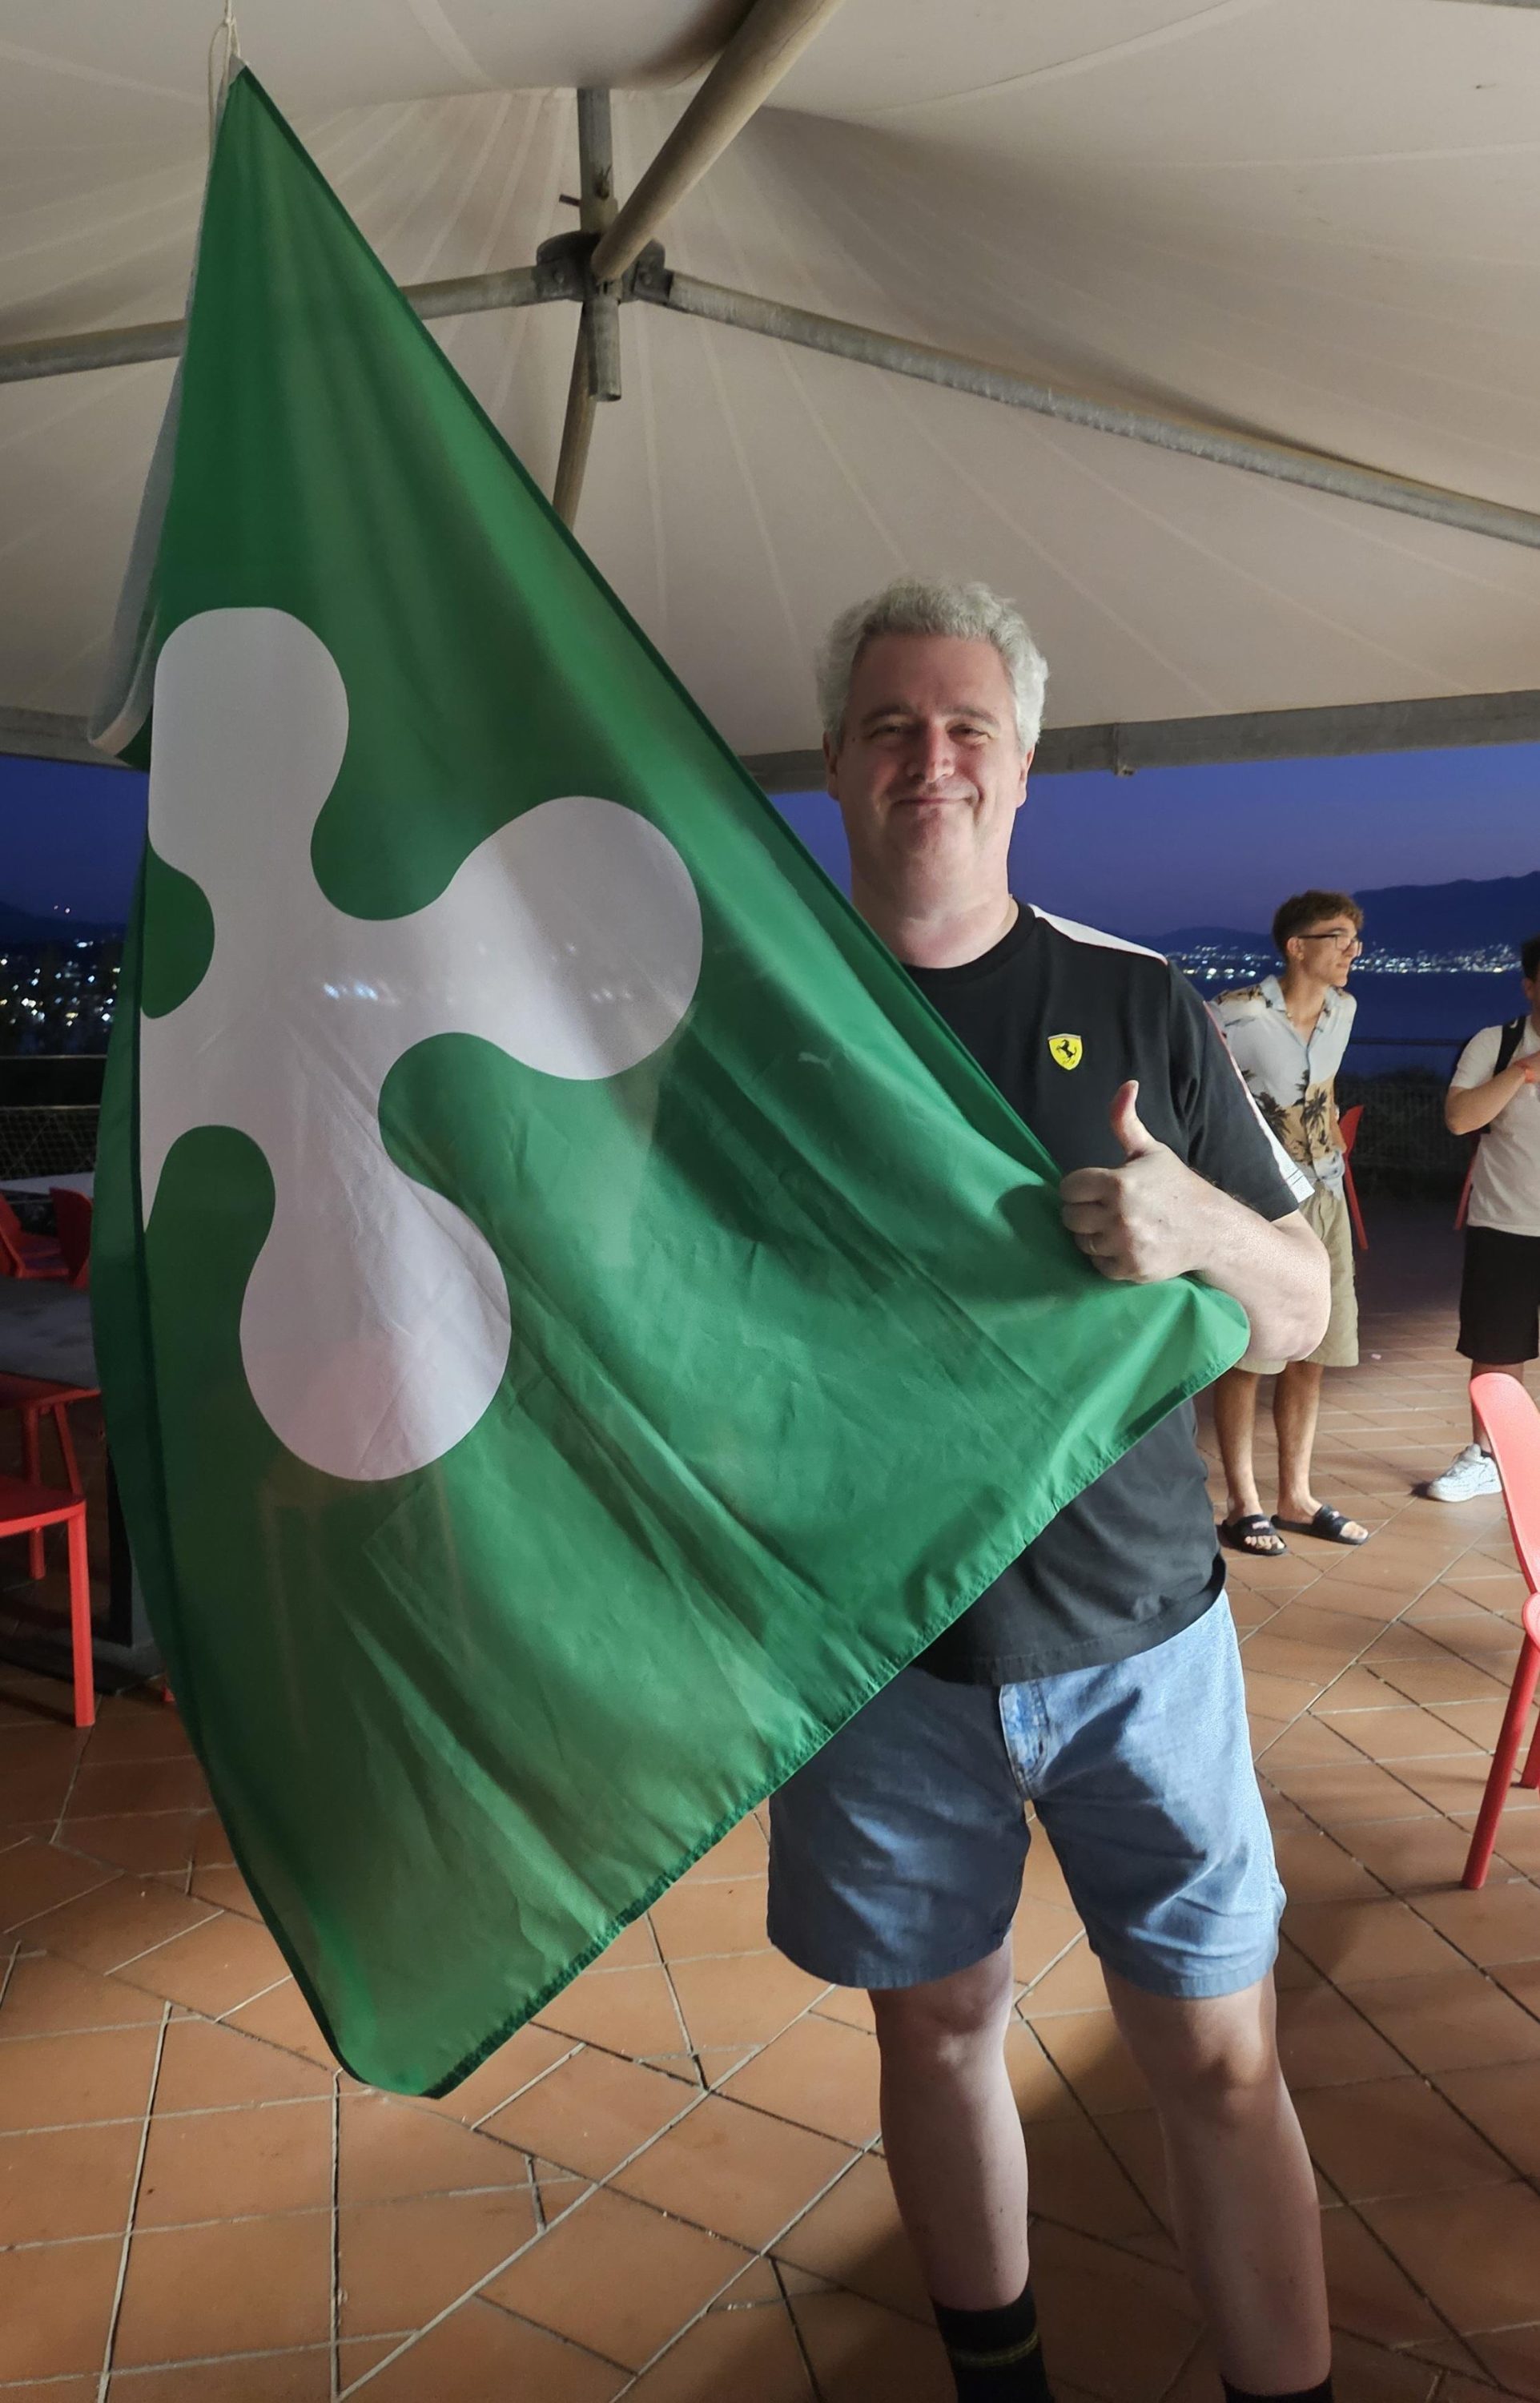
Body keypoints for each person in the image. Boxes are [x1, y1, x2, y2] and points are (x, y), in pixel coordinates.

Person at [768, 579, 1333, 2403]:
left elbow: (1302, 1302)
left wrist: (1193, 1224)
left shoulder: (1133, 1002)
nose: (926, 756)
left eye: (963, 728)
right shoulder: (760, 1019)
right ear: (835, 767)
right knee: (936, 2034)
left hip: (1137, 1641)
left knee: (1223, 2063)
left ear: (1016, 773)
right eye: (887, 726)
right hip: (871, 1659)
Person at [1209, 896, 1368, 1556]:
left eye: (1356, 939)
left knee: (1314, 1349)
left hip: (1324, 1193)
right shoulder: (1235, 1014)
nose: (1352, 950)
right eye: (1338, 938)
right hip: (1257, 1202)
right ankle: (1243, 1502)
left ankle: (1294, 1496)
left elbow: (1322, 1092)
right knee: (1252, 1353)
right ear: (1295, 947)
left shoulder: (1344, 1011)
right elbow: (1199, 1095)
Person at [1427, 932, 1540, 1500]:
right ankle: (1488, 1457)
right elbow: (1458, 1119)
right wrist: (1521, 1072)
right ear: (1529, 985)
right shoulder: (1495, 1044)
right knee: (1496, 1351)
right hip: (1505, 1225)